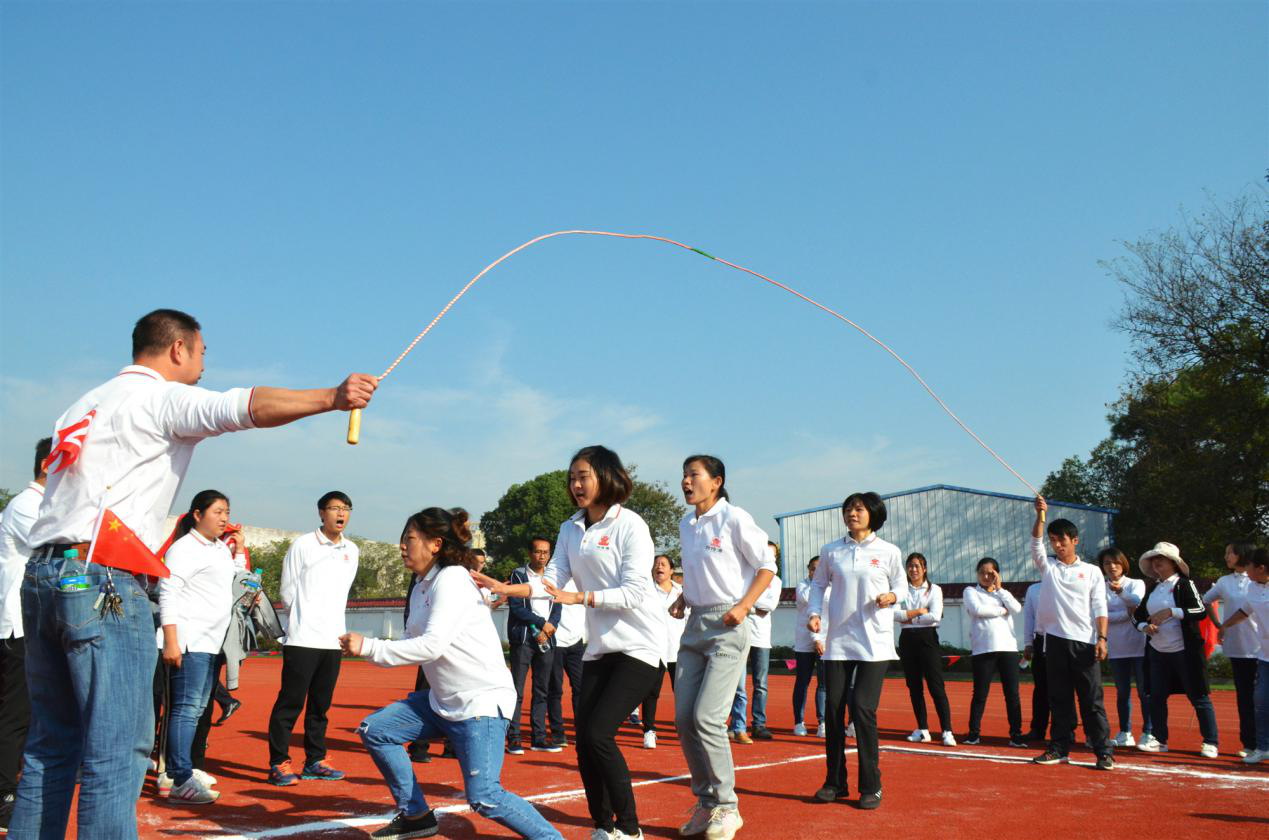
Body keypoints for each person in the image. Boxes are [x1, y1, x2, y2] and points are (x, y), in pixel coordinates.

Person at [13, 308, 375, 839]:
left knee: (49, 745)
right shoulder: (162, 397)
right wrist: (332, 398)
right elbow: (246, 406)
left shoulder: (84, 402)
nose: (205, 365)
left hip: (46, 576)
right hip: (103, 578)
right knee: (117, 751)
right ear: (178, 349)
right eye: (203, 353)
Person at [475, 445, 663, 840]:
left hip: (640, 648)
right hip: (599, 649)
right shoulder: (570, 528)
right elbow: (551, 582)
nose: (576, 484)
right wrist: (505, 588)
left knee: (598, 734)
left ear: (607, 476)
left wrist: (583, 598)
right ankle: (603, 827)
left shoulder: (630, 525)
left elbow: (635, 593)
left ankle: (630, 830)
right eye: (572, 478)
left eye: (584, 476)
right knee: (583, 745)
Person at [341, 508, 562, 840]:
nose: (402, 546)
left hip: (480, 704)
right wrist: (372, 648)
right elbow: (411, 642)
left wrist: (369, 646)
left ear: (435, 544)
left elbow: (431, 646)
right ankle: (415, 816)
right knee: (377, 730)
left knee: (485, 797)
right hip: (441, 702)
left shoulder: (452, 579)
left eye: (409, 539)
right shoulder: (420, 585)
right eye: (402, 540)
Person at [668, 454, 776, 840]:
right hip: (694, 624)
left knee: (707, 718)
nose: (685, 481)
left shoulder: (734, 518)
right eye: (683, 475)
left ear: (716, 481)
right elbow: (702, 571)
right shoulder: (687, 524)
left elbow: (767, 566)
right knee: (683, 718)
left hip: (728, 625)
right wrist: (683, 595)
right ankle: (706, 804)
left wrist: (744, 606)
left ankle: (728, 807)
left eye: (693, 475)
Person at [808, 491, 904, 810]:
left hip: (874, 643)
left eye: (859, 509)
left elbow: (901, 585)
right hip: (838, 642)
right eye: (848, 509)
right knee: (834, 711)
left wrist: (891, 596)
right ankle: (835, 782)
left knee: (862, 708)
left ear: (873, 514)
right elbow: (819, 585)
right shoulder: (832, 551)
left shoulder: (888, 551)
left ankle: (871, 785)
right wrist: (814, 613)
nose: (852, 513)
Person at [266, 491, 361, 785]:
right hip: (303, 638)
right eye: (334, 508)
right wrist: (301, 621)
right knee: (290, 703)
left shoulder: (352, 550)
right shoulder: (303, 545)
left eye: (345, 508)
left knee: (321, 706)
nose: (340, 514)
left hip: (333, 640)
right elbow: (288, 590)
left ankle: (315, 760)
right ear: (321, 513)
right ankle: (279, 763)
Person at [157, 491, 237, 804]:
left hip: (212, 643)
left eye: (226, 512)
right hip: (190, 641)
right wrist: (172, 641)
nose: (224, 518)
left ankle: (184, 768)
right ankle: (178, 776)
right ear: (197, 514)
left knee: (197, 709)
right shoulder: (184, 549)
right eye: (217, 511)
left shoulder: (220, 549)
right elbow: (168, 593)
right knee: (186, 710)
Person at [1028, 498, 1114, 771]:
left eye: (1061, 540)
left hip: (1085, 642)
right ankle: (1059, 747)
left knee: (1091, 701)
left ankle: (1103, 751)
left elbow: (1100, 605)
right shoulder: (1048, 568)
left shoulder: (1091, 572)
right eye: (1053, 540)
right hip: (1053, 641)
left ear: (1074, 540)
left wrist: (1102, 638)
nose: (1057, 545)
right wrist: (1041, 515)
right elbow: (1035, 544)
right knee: (1059, 699)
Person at [0, 437, 51, 830]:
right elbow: (52, 545)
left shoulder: (43, 506)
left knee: (28, 713)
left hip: (31, 622)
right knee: (16, 715)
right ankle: (3, 798)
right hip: (17, 623)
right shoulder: (28, 505)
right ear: (48, 466)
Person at [1133, 542, 1219, 757]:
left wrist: (1171, 611)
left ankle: (1210, 741)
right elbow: (1137, 616)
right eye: (1153, 559)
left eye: (1161, 557)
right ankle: (1160, 740)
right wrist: (1145, 626)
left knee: (1198, 696)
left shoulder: (1184, 584)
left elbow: (1199, 610)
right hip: (1157, 651)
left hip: (1184, 651)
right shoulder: (1153, 587)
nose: (1156, 562)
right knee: (1156, 696)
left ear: (1174, 562)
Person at [506, 538, 563, 754]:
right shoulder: (518, 575)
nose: (542, 556)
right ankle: (514, 738)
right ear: (530, 553)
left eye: (546, 552)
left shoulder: (555, 577)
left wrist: (550, 628)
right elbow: (517, 607)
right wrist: (541, 624)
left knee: (542, 691)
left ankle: (539, 738)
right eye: (538, 552)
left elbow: (558, 604)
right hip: (523, 639)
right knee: (517, 691)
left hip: (547, 638)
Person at [1213, 546, 1268, 764]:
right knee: (1261, 700)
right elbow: (1245, 611)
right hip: (1264, 655)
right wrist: (1224, 625)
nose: (1246, 571)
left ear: (1260, 568)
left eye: (1250, 567)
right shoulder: (1253, 588)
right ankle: (1263, 747)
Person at [1203, 542, 1259, 757]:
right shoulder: (1225, 582)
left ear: (1241, 554)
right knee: (1245, 698)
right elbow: (1205, 601)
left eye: (1230, 553)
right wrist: (1218, 625)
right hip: (1238, 648)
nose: (1226, 556)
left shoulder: (1258, 579)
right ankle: (1250, 744)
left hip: (1262, 647)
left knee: (1262, 699)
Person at [962, 558, 1025, 747]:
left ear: (997, 574)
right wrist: (1001, 611)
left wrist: (1000, 589)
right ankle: (974, 733)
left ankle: (1016, 734)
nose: (986, 576)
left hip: (1008, 649)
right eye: (982, 572)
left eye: (991, 573)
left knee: (1012, 694)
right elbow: (978, 610)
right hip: (984, 649)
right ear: (977, 573)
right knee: (980, 693)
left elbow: (1016, 608)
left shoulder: (1002, 594)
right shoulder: (970, 591)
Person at [895, 552, 954, 746]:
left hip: (927, 639)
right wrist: (920, 612)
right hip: (907, 641)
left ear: (924, 569)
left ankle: (947, 731)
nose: (913, 570)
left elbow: (935, 616)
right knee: (914, 687)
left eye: (917, 566)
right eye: (910, 566)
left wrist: (910, 617)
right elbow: (894, 615)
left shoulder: (934, 589)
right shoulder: (900, 590)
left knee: (936, 686)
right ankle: (923, 729)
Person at [729, 544, 781, 743]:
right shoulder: (745, 576)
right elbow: (737, 600)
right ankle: (737, 726)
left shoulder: (775, 581)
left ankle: (758, 725)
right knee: (738, 685)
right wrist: (751, 606)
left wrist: (746, 605)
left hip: (761, 637)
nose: (767, 556)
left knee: (761, 684)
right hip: (740, 633)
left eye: (772, 554)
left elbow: (769, 606)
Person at [1100, 547, 1151, 749]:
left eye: (1115, 562)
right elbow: (1097, 612)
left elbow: (1136, 602)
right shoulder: (1099, 586)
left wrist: (1120, 592)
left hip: (1138, 644)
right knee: (1122, 693)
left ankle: (1148, 731)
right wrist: (1125, 614)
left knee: (1143, 691)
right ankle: (1125, 732)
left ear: (1123, 564)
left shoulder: (1135, 583)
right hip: (1116, 646)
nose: (1111, 567)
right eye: (1106, 563)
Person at [638, 553, 685, 749]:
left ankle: (684, 730)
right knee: (650, 692)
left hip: (678, 649)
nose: (659, 567)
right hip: (654, 649)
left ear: (671, 570)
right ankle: (649, 731)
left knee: (682, 693)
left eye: (663, 564)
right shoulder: (646, 591)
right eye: (656, 564)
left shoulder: (682, 592)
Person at [547, 578, 586, 749]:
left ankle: (582, 732)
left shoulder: (584, 579)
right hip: (556, 642)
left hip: (577, 643)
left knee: (581, 689)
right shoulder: (553, 579)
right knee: (555, 690)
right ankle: (557, 733)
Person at [793, 556, 828, 738]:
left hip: (824, 640)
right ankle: (799, 722)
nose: (815, 572)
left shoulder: (829, 587)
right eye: (813, 568)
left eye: (819, 568)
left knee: (823, 684)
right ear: (809, 569)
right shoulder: (802, 586)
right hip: (804, 641)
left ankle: (822, 722)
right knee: (802, 682)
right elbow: (810, 601)